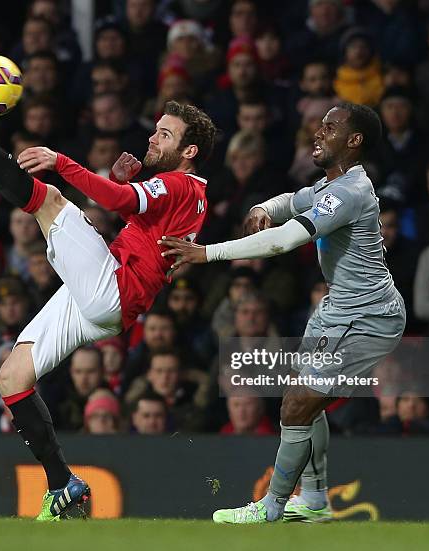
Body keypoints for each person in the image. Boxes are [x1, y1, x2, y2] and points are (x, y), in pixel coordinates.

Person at [0, 68, 215, 521]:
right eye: (157, 130)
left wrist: (62, 161)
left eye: (165, 134)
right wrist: (121, 185)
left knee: (49, 200)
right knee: (11, 378)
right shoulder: (189, 193)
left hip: (113, 289)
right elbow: (131, 211)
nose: (154, 139)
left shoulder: (181, 183)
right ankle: (63, 484)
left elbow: (121, 205)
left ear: (189, 151)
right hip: (108, 301)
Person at [159, 103, 406, 524]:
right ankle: (313, 501)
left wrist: (206, 253)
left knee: (295, 407)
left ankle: (271, 508)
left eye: (330, 127)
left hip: (368, 317)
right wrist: (264, 209)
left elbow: (285, 241)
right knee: (303, 400)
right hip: (337, 309)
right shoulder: (332, 184)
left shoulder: (350, 193)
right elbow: (291, 202)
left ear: (354, 140)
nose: (318, 131)